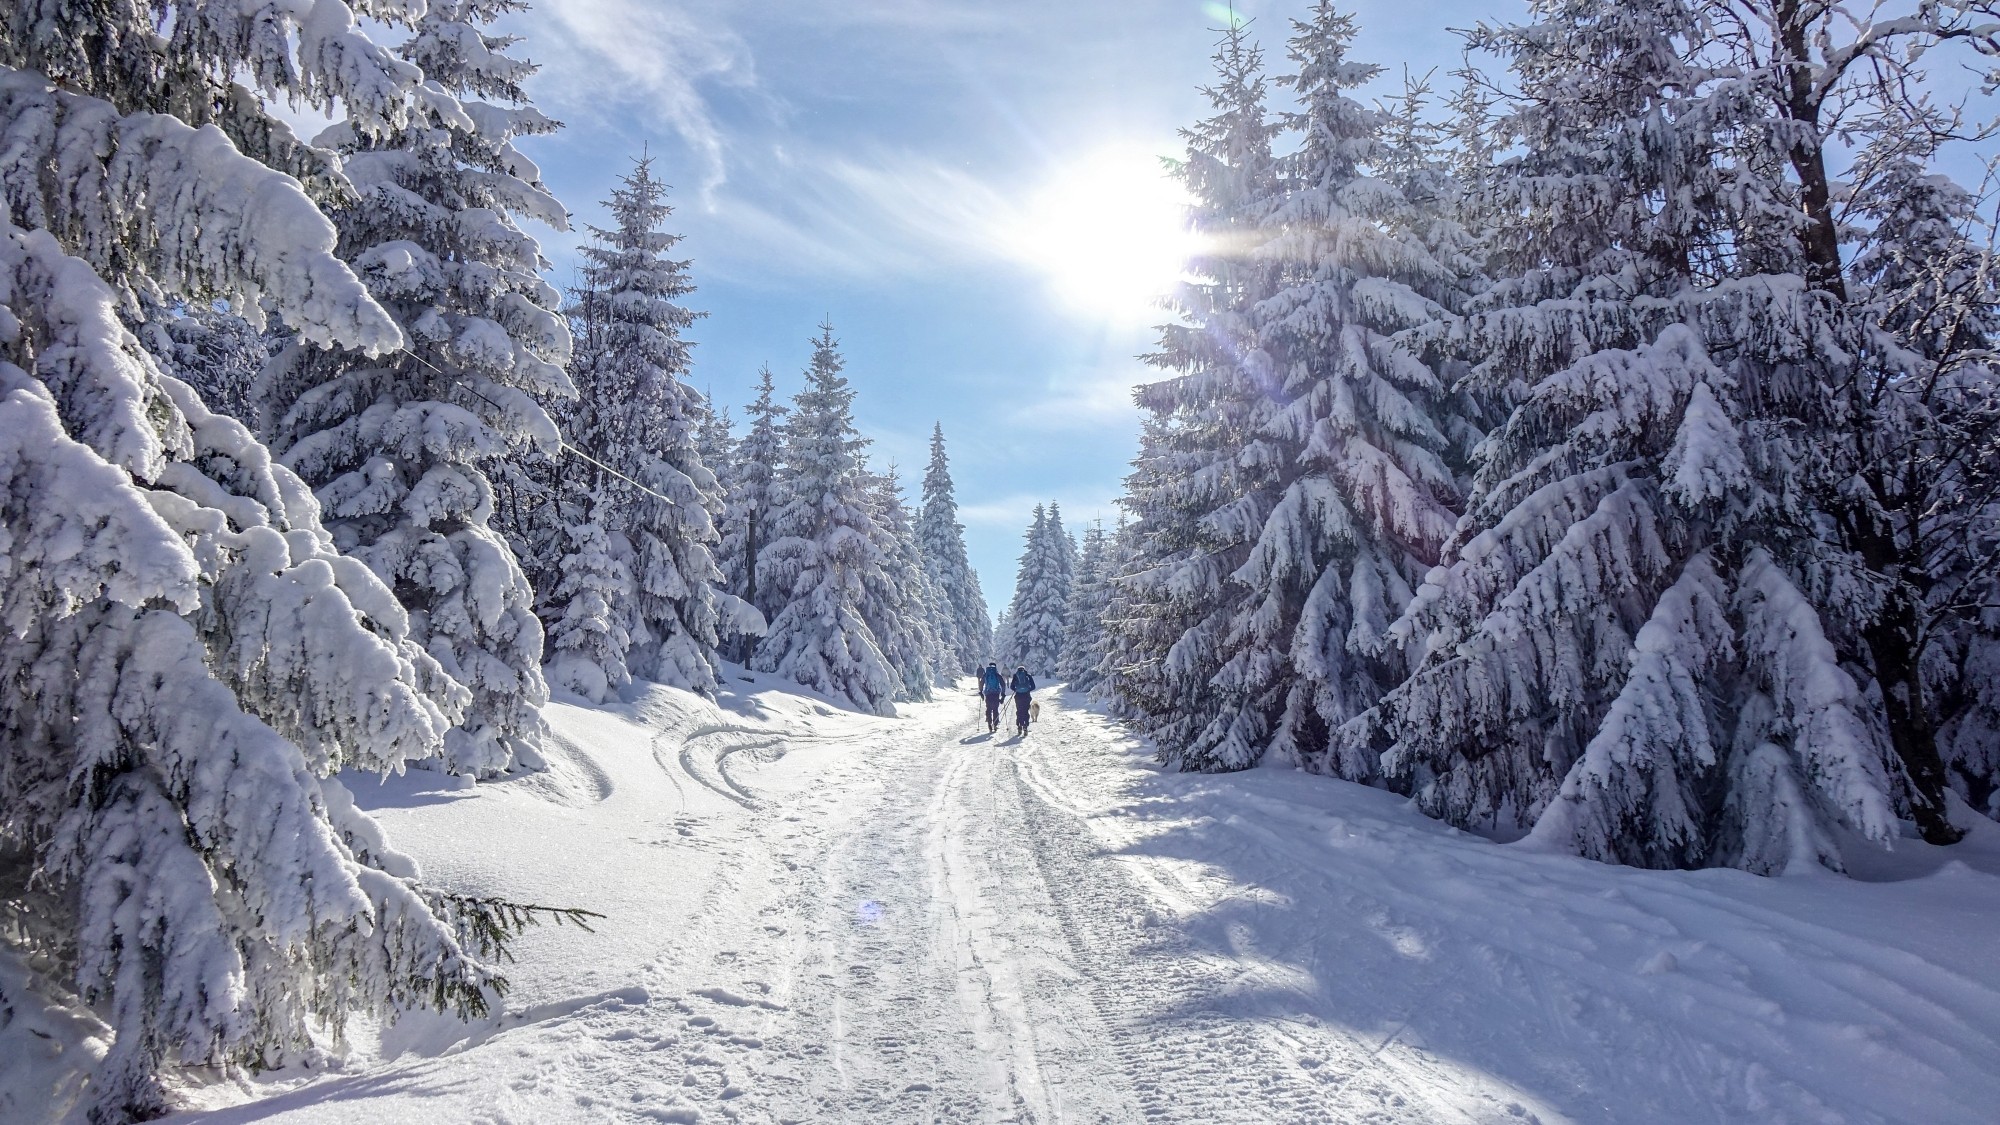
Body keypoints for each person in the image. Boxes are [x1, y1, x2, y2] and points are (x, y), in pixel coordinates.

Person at [979, 662, 1005, 733]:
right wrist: (1003, 694)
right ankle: (995, 724)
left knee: (989, 709)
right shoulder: (997, 675)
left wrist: (981, 692)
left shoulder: (986, 674)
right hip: (996, 694)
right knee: (995, 709)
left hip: (988, 694)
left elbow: (981, 683)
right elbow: (1003, 684)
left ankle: (989, 723)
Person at [1010, 665, 1036, 735]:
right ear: (1024, 670)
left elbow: (1012, 686)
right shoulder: (1028, 675)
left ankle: (1019, 726)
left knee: (1019, 711)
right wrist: (1028, 690)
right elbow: (1033, 686)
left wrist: (1016, 689)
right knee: (1025, 711)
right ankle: (1025, 726)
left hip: (1018, 696)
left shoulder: (1015, 675)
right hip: (1026, 696)